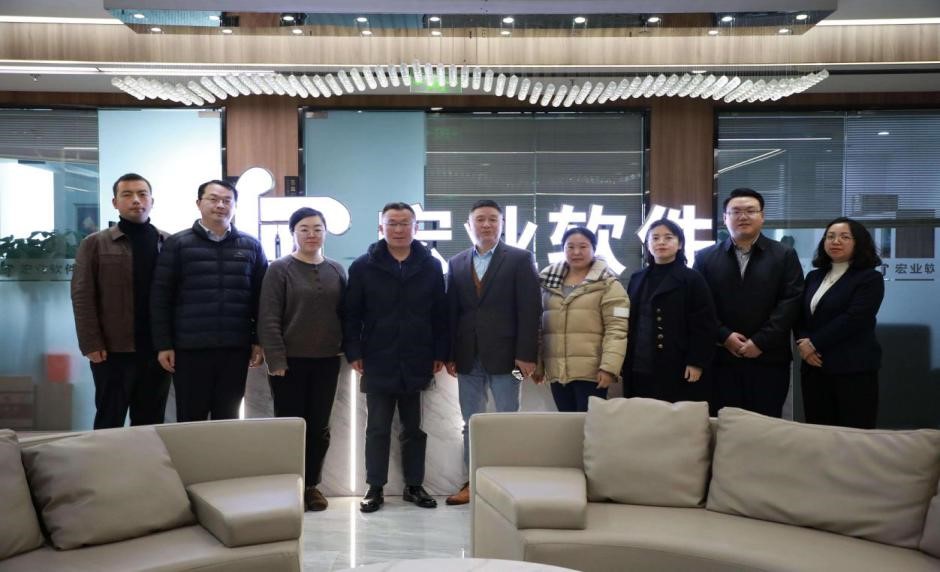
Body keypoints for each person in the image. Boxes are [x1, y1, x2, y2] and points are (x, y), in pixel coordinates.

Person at [343, 202, 448, 513]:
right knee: (377, 427)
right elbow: (351, 314)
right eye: (392, 223)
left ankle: (414, 485)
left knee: (414, 428)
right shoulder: (363, 266)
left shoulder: (430, 265)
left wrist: (440, 352)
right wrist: (354, 351)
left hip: (417, 357)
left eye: (405, 224)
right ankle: (375, 486)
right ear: (381, 228)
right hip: (378, 357)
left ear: (416, 228)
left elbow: (440, 314)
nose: (399, 229)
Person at [444, 199, 541, 505]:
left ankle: (508, 483)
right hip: (467, 357)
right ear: (469, 225)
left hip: (511, 360)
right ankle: (471, 482)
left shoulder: (520, 259)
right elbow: (452, 312)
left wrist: (527, 355)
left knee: (508, 420)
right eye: (480, 219)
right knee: (470, 422)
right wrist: (450, 354)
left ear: (502, 224)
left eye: (492, 219)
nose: (486, 225)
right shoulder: (457, 262)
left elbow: (530, 309)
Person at [151, 179, 267, 422]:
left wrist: (258, 340)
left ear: (235, 206)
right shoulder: (178, 244)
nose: (220, 205)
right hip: (190, 349)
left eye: (227, 200)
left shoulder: (251, 246)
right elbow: (161, 297)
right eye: (213, 199)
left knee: (228, 417)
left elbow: (262, 298)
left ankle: (224, 451)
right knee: (190, 418)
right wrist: (164, 344)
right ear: (199, 203)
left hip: (235, 348)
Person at [259, 207, 346, 511]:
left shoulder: (336, 269)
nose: (312, 234)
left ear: (325, 232)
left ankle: (311, 486)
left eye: (317, 229)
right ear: (293, 233)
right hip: (289, 363)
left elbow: (345, 314)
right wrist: (276, 360)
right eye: (304, 229)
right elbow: (268, 317)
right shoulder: (279, 269)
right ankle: (288, 486)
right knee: (290, 427)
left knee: (319, 427)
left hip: (327, 360)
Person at [70, 173, 171, 429]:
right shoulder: (95, 243)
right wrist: (91, 343)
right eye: (127, 195)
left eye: (142, 194)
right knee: (109, 418)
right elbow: (82, 295)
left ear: (152, 201)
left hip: (157, 349)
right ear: (115, 203)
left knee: (151, 422)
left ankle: (145, 457)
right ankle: (106, 458)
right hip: (112, 350)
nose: (136, 200)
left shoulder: (168, 243)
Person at [693, 188, 804, 417]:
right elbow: (699, 305)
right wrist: (724, 336)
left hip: (769, 358)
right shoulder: (705, 257)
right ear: (725, 218)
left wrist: (760, 341)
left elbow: (790, 302)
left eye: (750, 211)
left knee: (765, 424)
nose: (743, 217)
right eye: (735, 211)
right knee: (723, 424)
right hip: (721, 358)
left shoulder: (784, 255)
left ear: (762, 216)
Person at [796, 217, 884, 428]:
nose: (835, 241)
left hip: (852, 369)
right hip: (814, 367)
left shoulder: (869, 278)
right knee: (818, 432)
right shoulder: (814, 276)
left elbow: (855, 318)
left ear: (858, 243)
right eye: (830, 236)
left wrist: (813, 343)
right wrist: (802, 342)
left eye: (845, 237)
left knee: (853, 434)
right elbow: (799, 314)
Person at [532, 227, 628, 411]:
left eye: (583, 247)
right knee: (566, 423)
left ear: (594, 249)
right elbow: (539, 328)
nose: (576, 252)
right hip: (557, 372)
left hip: (592, 373)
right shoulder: (547, 283)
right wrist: (538, 365)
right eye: (570, 247)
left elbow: (617, 330)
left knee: (590, 424)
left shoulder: (608, 284)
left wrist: (609, 368)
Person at [622, 219, 717, 404]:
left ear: (680, 244)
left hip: (676, 363)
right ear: (648, 244)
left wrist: (696, 361)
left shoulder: (692, 278)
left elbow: (704, 325)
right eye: (655, 238)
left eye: (668, 237)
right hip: (638, 362)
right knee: (639, 413)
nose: (661, 242)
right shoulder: (637, 278)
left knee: (672, 415)